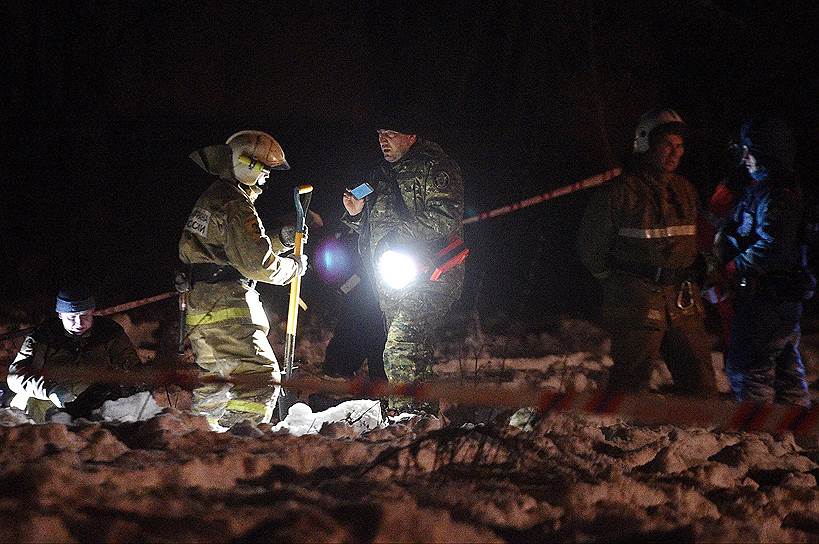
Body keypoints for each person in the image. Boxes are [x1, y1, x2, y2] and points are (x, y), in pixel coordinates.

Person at [577, 108, 717, 397]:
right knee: (631, 380)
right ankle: (622, 436)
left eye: (679, 146)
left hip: (682, 297)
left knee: (700, 378)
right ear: (645, 145)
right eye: (667, 145)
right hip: (637, 299)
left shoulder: (686, 190)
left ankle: (703, 438)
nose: (675, 153)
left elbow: (700, 241)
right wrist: (619, 285)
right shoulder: (620, 192)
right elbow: (591, 248)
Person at [179, 130, 307, 429]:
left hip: (201, 304)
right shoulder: (236, 204)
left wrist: (280, 240)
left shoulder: (215, 196)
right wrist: (292, 268)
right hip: (227, 304)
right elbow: (255, 263)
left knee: (215, 383)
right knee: (258, 378)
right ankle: (239, 446)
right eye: (264, 168)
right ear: (247, 164)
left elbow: (231, 251)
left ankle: (203, 442)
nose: (267, 176)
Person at [341, 116, 465, 414]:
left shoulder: (435, 167)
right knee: (413, 353)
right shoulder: (377, 176)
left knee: (400, 346)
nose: (383, 139)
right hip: (391, 279)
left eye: (391, 133)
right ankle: (421, 420)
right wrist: (356, 214)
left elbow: (448, 214)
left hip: (430, 275)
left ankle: (403, 417)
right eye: (380, 133)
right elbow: (372, 228)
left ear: (411, 135)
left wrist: (401, 233)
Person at [716, 116, 811, 406]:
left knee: (749, 371)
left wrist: (734, 265)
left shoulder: (775, 195)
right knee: (786, 374)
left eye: (750, 150)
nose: (745, 158)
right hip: (774, 301)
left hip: (765, 302)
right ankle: (797, 439)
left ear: (766, 152)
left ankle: (757, 440)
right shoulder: (769, 190)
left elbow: (773, 246)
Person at [6, 286, 143, 422]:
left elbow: (133, 370)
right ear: (60, 315)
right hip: (53, 397)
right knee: (32, 403)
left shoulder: (109, 333)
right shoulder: (43, 336)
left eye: (84, 315)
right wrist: (51, 390)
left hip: (98, 399)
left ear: (92, 311)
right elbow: (15, 377)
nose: (79, 323)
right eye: (71, 317)